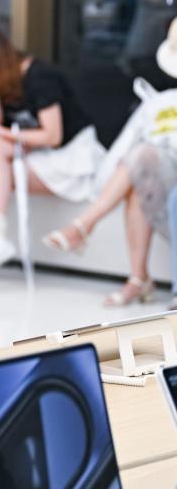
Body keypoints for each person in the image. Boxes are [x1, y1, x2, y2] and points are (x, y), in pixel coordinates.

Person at [46, 17, 177, 306]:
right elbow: (126, 147)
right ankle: (136, 277)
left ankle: (85, 227)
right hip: (159, 184)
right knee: (138, 177)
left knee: (142, 163)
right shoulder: (161, 102)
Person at [0, 20, 105, 275]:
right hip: (38, 155)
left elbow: (53, 136)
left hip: (69, 160)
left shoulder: (39, 75)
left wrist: (1, 133)